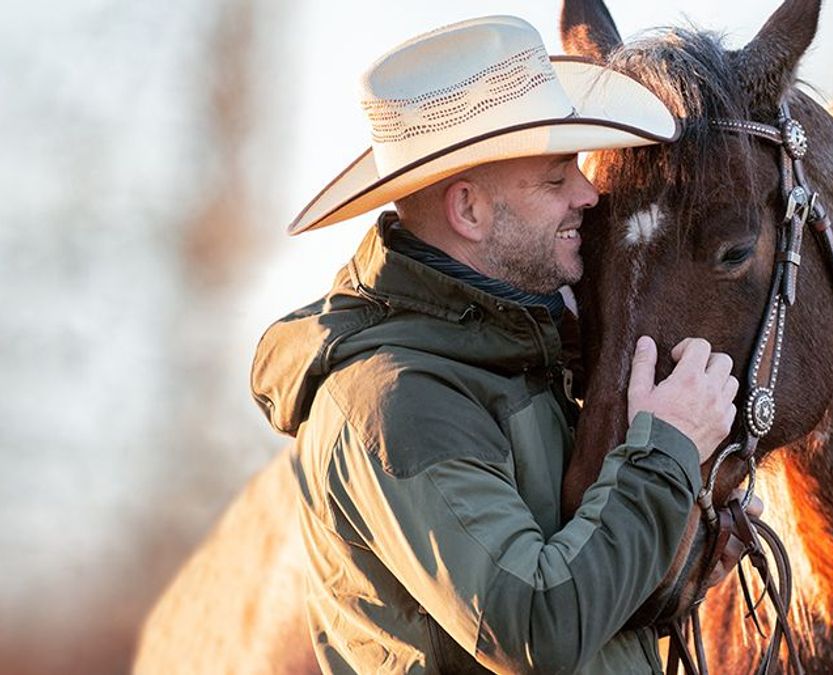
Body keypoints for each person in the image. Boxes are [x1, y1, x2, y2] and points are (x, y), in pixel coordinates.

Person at [251, 16, 744, 674]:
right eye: (554, 177)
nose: (588, 193)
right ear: (470, 211)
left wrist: (685, 541)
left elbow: (582, 595)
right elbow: (535, 628)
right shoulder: (395, 404)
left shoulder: (512, 356)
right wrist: (667, 447)